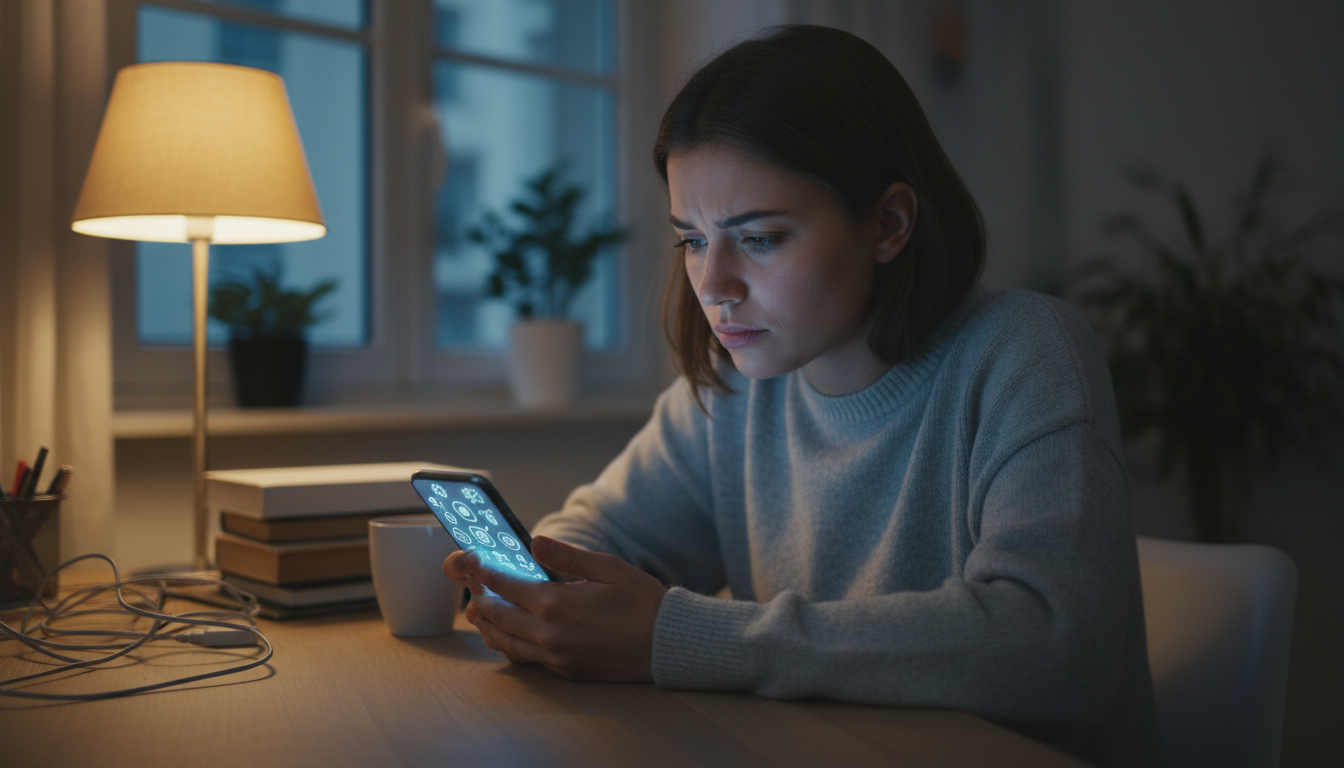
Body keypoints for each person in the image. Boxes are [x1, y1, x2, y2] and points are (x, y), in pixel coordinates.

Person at [444, 24, 1163, 768]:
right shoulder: (736, 386)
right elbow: (593, 536)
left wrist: (682, 638)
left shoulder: (1026, 353)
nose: (713, 288)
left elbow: (1052, 648)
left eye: (759, 238)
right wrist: (546, 603)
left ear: (888, 224)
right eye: (692, 240)